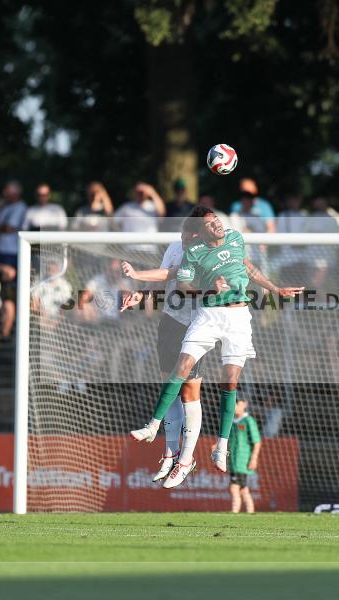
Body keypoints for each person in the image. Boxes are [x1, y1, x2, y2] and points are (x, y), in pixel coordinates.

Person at [129, 208, 302, 473]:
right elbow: (175, 278)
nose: (217, 225)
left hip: (236, 317)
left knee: (228, 381)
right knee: (180, 368)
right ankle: (154, 428)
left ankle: (217, 448)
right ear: (199, 232)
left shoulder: (235, 238)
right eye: (210, 224)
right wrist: (143, 286)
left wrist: (276, 289)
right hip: (203, 315)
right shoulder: (192, 251)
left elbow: (249, 267)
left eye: (217, 220)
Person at [120, 208, 208, 488]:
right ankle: (170, 453)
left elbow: (171, 273)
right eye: (184, 234)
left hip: (196, 326)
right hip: (170, 321)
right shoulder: (175, 246)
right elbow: (166, 283)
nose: (185, 240)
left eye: (191, 236)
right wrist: (141, 294)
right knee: (168, 387)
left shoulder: (207, 256)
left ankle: (187, 458)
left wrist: (137, 273)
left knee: (189, 391)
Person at [227, 397, 262, 513]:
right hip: (233, 462)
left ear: (244, 404)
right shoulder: (231, 421)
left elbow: (256, 441)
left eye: (238, 403)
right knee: (243, 489)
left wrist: (254, 459)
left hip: (242, 462)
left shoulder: (248, 421)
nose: (235, 406)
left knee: (234, 487)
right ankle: (250, 511)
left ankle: (234, 511)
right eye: (234, 403)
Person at [0, 180, 27, 270]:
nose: (4, 193)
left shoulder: (21, 207)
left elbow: (9, 228)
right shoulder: (5, 208)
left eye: (7, 191)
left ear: (16, 193)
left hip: (13, 252)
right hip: (0, 250)